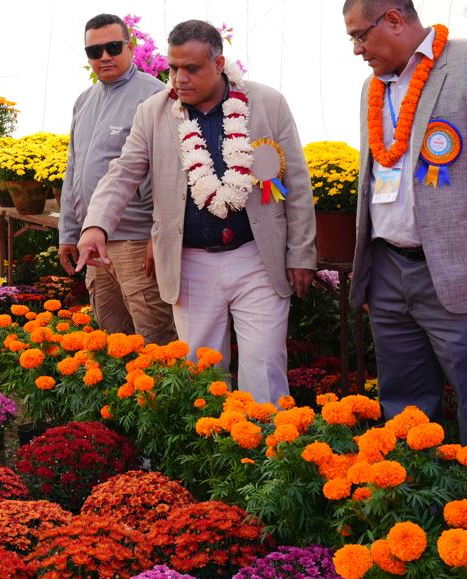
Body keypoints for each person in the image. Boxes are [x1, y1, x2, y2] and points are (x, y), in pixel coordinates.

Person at [77, 20, 316, 405]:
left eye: (191, 68)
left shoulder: (266, 103)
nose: (179, 78)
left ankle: (264, 456)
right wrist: (95, 226)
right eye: (173, 68)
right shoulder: (153, 112)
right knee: (200, 374)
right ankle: (212, 457)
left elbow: (298, 185)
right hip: (191, 262)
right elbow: (121, 174)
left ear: (219, 64)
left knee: (265, 366)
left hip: (258, 258)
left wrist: (302, 253)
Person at [342, 0, 467, 458]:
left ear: (393, 19)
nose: (356, 49)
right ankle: (413, 507)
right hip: (388, 267)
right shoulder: (373, 86)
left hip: (457, 269)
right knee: (403, 406)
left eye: (359, 35)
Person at [59, 14, 177, 345]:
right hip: (94, 246)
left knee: (155, 342)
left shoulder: (154, 97)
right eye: (94, 51)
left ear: (130, 46)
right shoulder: (84, 101)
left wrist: (158, 235)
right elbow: (74, 168)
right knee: (113, 343)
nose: (104, 57)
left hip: (137, 243)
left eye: (113, 47)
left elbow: (168, 174)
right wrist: (70, 232)